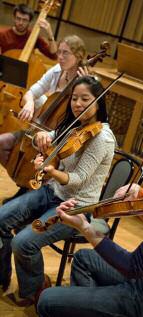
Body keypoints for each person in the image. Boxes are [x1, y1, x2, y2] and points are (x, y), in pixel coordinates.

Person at [37, 122, 143, 317]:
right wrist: (141, 194)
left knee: (47, 300)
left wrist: (85, 227)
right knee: (84, 259)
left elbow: (133, 266)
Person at [0, 75, 116, 305]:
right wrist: (40, 138)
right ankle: (1, 277)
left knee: (23, 243)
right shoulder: (72, 126)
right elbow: (42, 141)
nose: (78, 104)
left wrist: (50, 171)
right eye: (74, 98)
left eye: (85, 99)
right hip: (51, 193)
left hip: (77, 206)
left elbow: (78, 180)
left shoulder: (102, 138)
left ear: (98, 102)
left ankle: (34, 289)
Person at [0, 34, 87, 200]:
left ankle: (28, 192)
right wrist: (29, 103)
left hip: (58, 140)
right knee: (2, 143)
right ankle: (24, 185)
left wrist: (82, 89)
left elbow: (83, 118)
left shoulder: (87, 83)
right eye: (59, 52)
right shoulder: (56, 71)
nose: (60, 57)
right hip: (37, 130)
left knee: (40, 163)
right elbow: (33, 91)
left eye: (65, 53)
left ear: (78, 56)